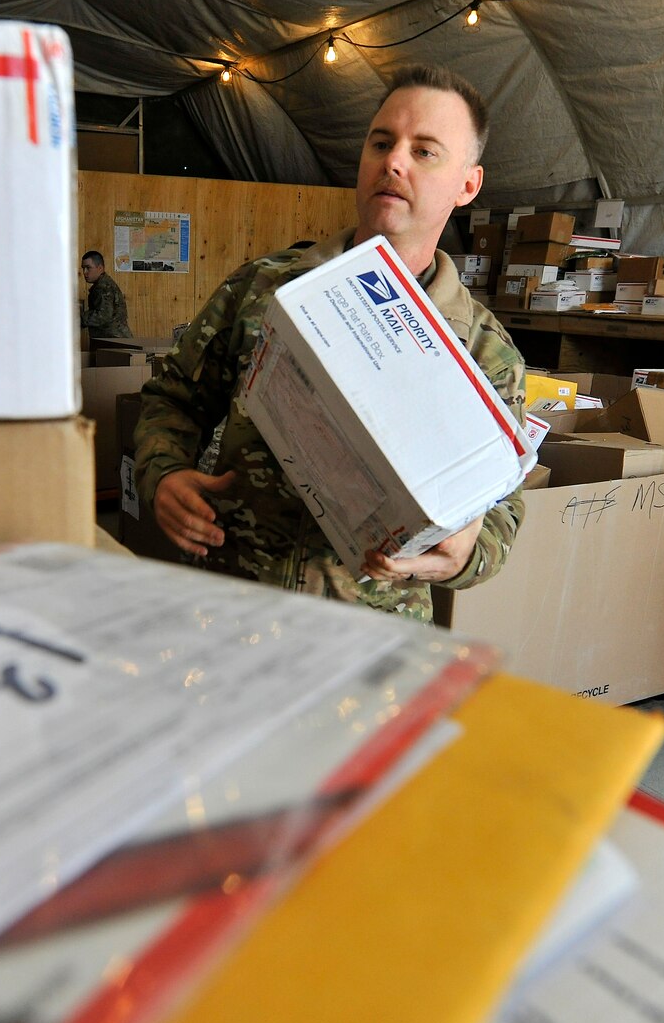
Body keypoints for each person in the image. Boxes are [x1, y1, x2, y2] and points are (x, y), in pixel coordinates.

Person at [130, 65, 525, 623]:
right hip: (231, 612)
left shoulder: (485, 354)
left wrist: (463, 555)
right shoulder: (265, 289)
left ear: (468, 185)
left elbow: (503, 510)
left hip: (366, 648)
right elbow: (170, 398)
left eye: (425, 151)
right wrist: (163, 473)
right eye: (382, 142)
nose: (393, 161)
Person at [79, 251, 132, 340]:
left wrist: (79, 319)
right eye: (83, 268)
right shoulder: (103, 284)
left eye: (88, 268)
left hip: (114, 342)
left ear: (100, 268)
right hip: (113, 341)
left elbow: (103, 315)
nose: (85, 272)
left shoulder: (103, 287)